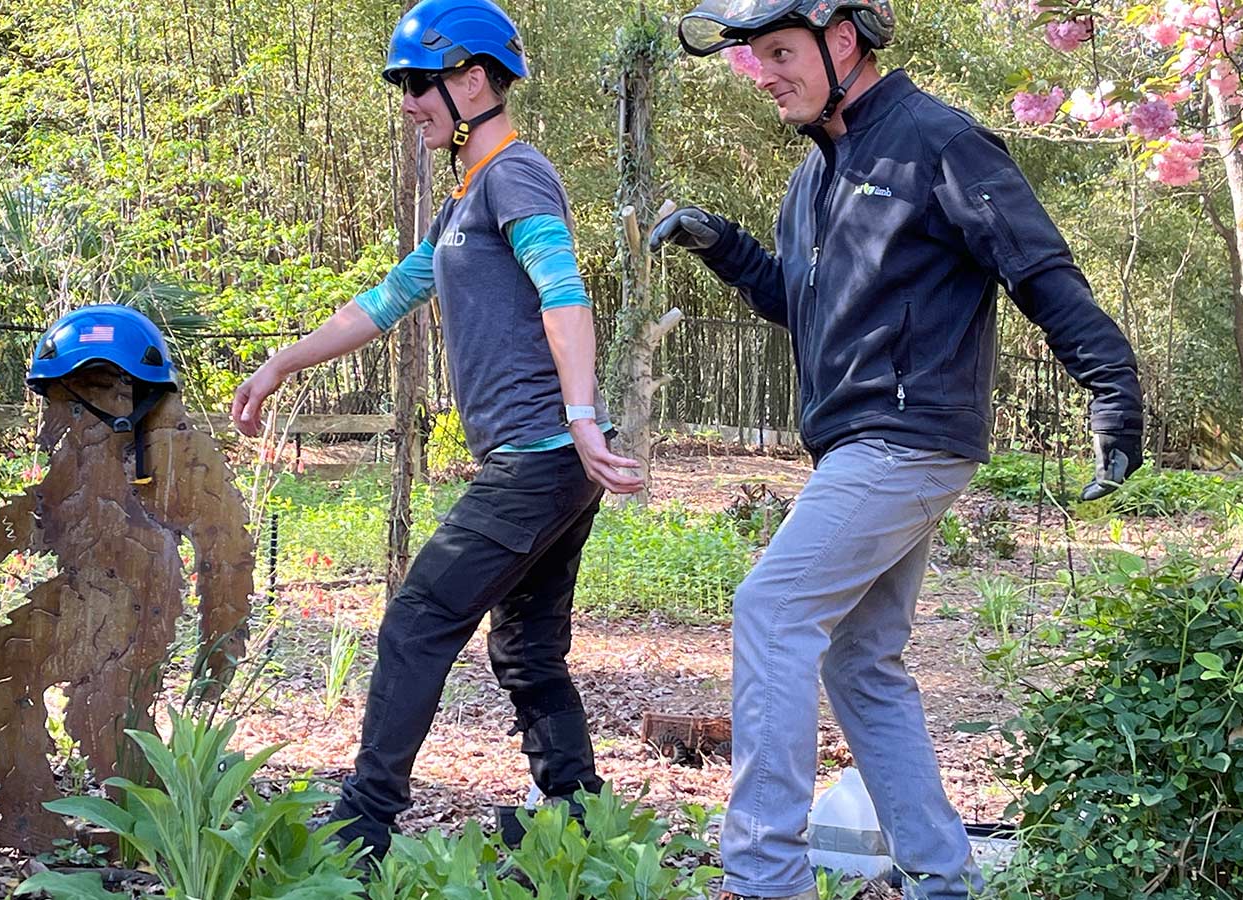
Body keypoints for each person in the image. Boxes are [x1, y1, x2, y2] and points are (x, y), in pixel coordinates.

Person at [650, 2, 1144, 898]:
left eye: (780, 53)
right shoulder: (812, 178)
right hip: (858, 443)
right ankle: (943, 880)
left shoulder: (938, 141)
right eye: (755, 59)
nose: (764, 75)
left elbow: (1037, 267)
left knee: (772, 610)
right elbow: (803, 309)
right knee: (860, 660)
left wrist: (1112, 388)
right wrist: (723, 248)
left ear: (844, 40)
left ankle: (763, 878)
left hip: (906, 437)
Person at [231, 0, 640, 858]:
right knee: (527, 651)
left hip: (539, 455)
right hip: (545, 460)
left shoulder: (516, 176)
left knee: (418, 617)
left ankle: (362, 827)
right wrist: (281, 364)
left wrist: (582, 416)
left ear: (476, 80)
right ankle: (576, 821)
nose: (409, 100)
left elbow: (565, 294)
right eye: (404, 85)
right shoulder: (463, 204)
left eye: (420, 82)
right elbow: (383, 303)